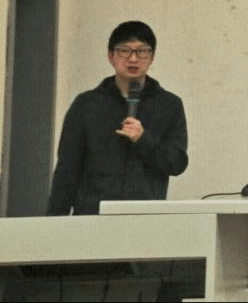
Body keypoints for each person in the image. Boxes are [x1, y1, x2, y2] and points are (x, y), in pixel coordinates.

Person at [46, 20, 188, 216]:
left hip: (145, 217)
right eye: (124, 51)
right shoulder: (86, 104)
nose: (133, 58)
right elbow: (67, 169)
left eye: (142, 51)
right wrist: (55, 221)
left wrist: (144, 139)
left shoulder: (169, 105)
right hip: (92, 216)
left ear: (152, 57)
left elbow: (176, 163)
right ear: (110, 56)